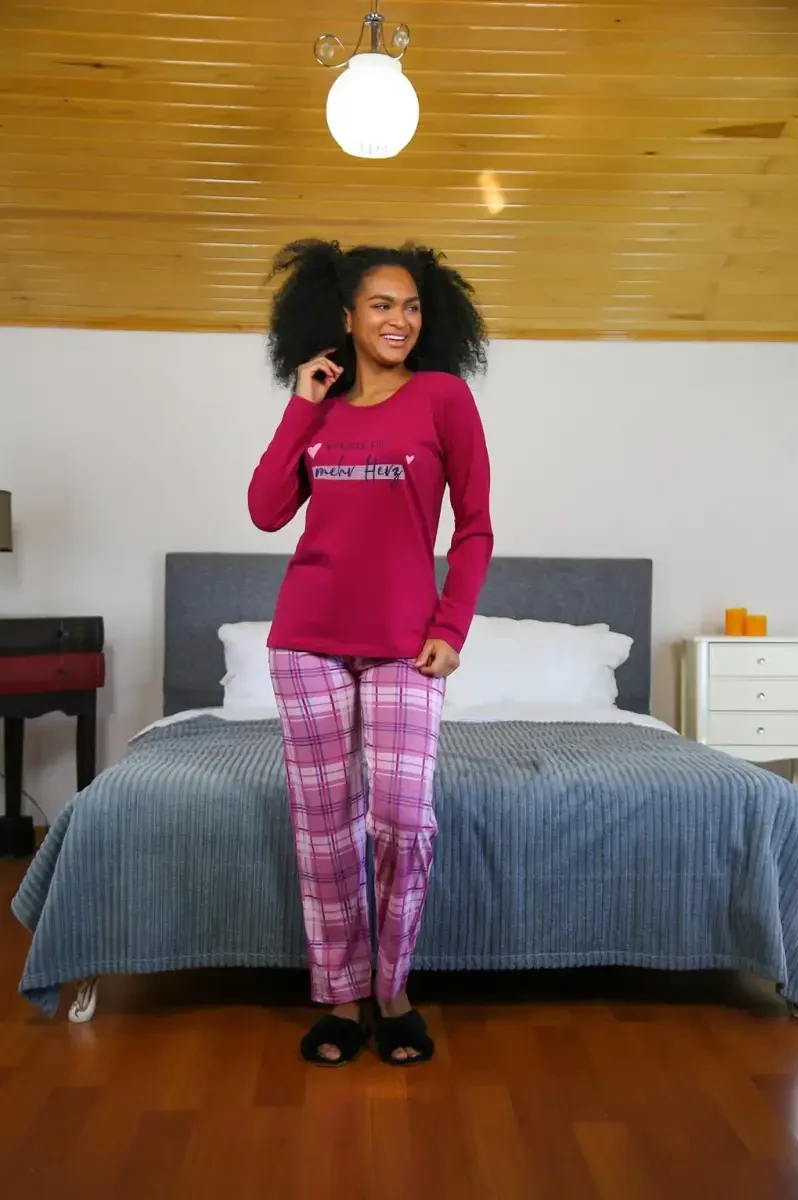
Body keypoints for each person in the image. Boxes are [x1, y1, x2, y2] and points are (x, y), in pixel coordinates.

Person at [248, 239, 493, 1066]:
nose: (400, 319)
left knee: (401, 820)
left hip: (405, 646)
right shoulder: (319, 408)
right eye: (382, 304)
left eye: (412, 306)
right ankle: (343, 999)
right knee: (324, 829)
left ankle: (394, 989)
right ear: (345, 315)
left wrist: (451, 627)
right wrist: (301, 405)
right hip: (307, 639)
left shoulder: (443, 397)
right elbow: (265, 510)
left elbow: (476, 528)